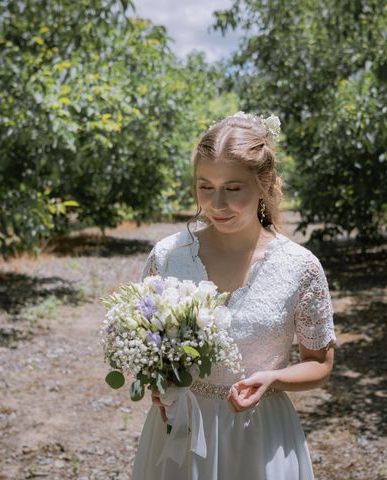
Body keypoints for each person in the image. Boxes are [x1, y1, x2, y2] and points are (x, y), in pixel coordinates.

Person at [131, 112, 336, 480]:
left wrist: (273, 380)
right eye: (204, 186)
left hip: (259, 434)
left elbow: (320, 362)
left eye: (233, 188)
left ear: (265, 184)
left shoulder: (299, 267)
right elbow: (150, 345)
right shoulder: (167, 257)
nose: (217, 203)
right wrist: (158, 386)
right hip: (182, 430)